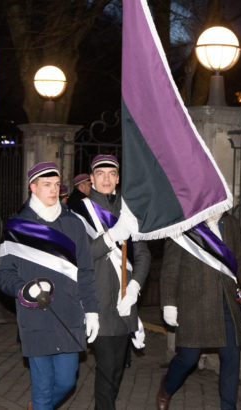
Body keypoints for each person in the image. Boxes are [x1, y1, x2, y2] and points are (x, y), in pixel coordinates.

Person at [0, 162, 99, 410]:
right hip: (35, 317)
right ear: (33, 187)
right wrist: (22, 289)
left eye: (55, 185)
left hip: (69, 314)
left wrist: (92, 310)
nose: (53, 190)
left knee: (66, 381)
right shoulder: (16, 227)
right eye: (46, 185)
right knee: (42, 388)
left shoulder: (73, 223)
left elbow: (85, 271)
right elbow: (3, 275)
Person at [69, 154, 151, 410]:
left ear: (118, 178)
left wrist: (136, 286)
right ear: (91, 179)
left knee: (117, 368)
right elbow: (79, 256)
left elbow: (143, 254)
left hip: (125, 301)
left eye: (111, 174)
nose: (106, 179)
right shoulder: (78, 212)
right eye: (100, 174)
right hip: (97, 299)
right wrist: (110, 237)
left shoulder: (129, 209)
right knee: (106, 368)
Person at [156, 212, 241, 410]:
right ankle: (167, 387)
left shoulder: (230, 222)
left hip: (227, 302)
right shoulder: (183, 225)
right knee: (188, 359)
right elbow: (170, 269)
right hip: (193, 304)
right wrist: (169, 302)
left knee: (231, 357)